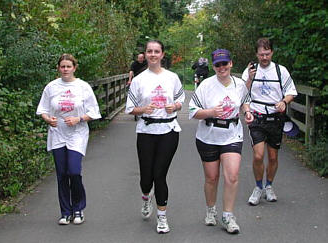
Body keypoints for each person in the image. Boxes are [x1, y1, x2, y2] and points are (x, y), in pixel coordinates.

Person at [189, 49, 253, 234]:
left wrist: (247, 112)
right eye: (217, 65)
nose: (221, 67)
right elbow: (193, 111)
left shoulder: (240, 84)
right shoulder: (206, 86)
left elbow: (245, 101)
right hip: (208, 135)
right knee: (211, 177)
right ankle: (211, 210)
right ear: (213, 67)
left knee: (232, 175)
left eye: (224, 63)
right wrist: (210, 112)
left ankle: (228, 216)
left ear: (231, 64)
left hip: (232, 134)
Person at [125, 40, 185, 234]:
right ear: (145, 54)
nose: (152, 54)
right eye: (149, 51)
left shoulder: (172, 77)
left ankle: (162, 217)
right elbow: (129, 108)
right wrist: (142, 109)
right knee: (146, 178)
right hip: (146, 131)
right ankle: (146, 197)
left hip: (168, 130)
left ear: (162, 54)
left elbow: (180, 99)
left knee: (159, 175)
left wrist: (175, 106)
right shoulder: (139, 80)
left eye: (156, 51)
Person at [36, 54, 101, 225]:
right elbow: (42, 109)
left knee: (74, 171)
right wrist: (47, 119)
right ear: (58, 68)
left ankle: (78, 208)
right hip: (57, 133)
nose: (65, 69)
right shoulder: (51, 87)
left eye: (68, 66)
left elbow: (94, 112)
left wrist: (78, 119)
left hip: (77, 134)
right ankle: (65, 212)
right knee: (62, 174)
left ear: (74, 68)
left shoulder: (83, 87)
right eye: (62, 66)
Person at [242, 38, 297, 206]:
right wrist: (250, 79)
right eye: (261, 54)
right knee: (258, 155)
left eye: (267, 54)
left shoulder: (281, 71)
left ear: (272, 52)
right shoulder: (251, 70)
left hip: (275, 118)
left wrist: (284, 102)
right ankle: (258, 187)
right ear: (256, 54)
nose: (264, 57)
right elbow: (242, 92)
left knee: (273, 157)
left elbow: (291, 92)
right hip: (257, 116)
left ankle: (269, 186)